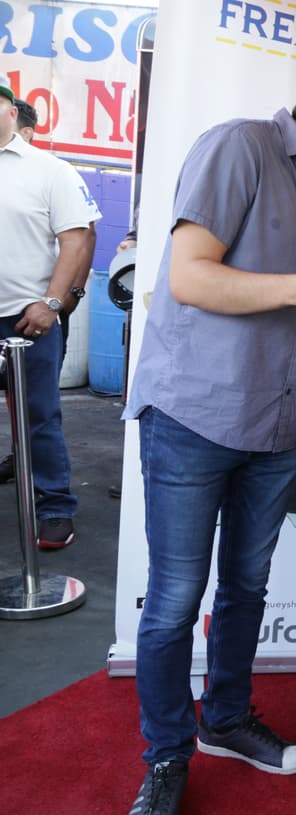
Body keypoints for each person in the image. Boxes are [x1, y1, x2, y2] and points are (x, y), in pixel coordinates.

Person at [119, 47, 296, 815]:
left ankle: (226, 718)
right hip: (194, 414)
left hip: (276, 426)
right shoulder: (239, 145)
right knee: (174, 600)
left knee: (245, 585)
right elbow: (190, 278)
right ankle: (167, 756)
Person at [0, 76, 98, 547]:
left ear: (11, 111)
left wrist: (55, 303)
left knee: (38, 416)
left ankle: (55, 508)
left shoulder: (49, 170)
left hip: (26, 319)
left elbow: (77, 238)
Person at [13, 97, 95, 369]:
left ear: (26, 132)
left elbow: (85, 234)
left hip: (38, 305)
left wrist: (71, 295)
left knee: (36, 401)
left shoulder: (55, 172)